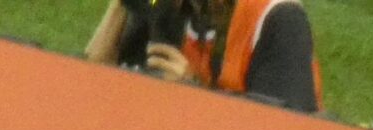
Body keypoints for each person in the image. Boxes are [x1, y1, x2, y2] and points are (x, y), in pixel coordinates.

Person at [87, 0, 320, 114]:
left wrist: (193, 95)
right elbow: (90, 86)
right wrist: (122, 6)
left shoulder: (278, 18)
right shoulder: (166, 8)